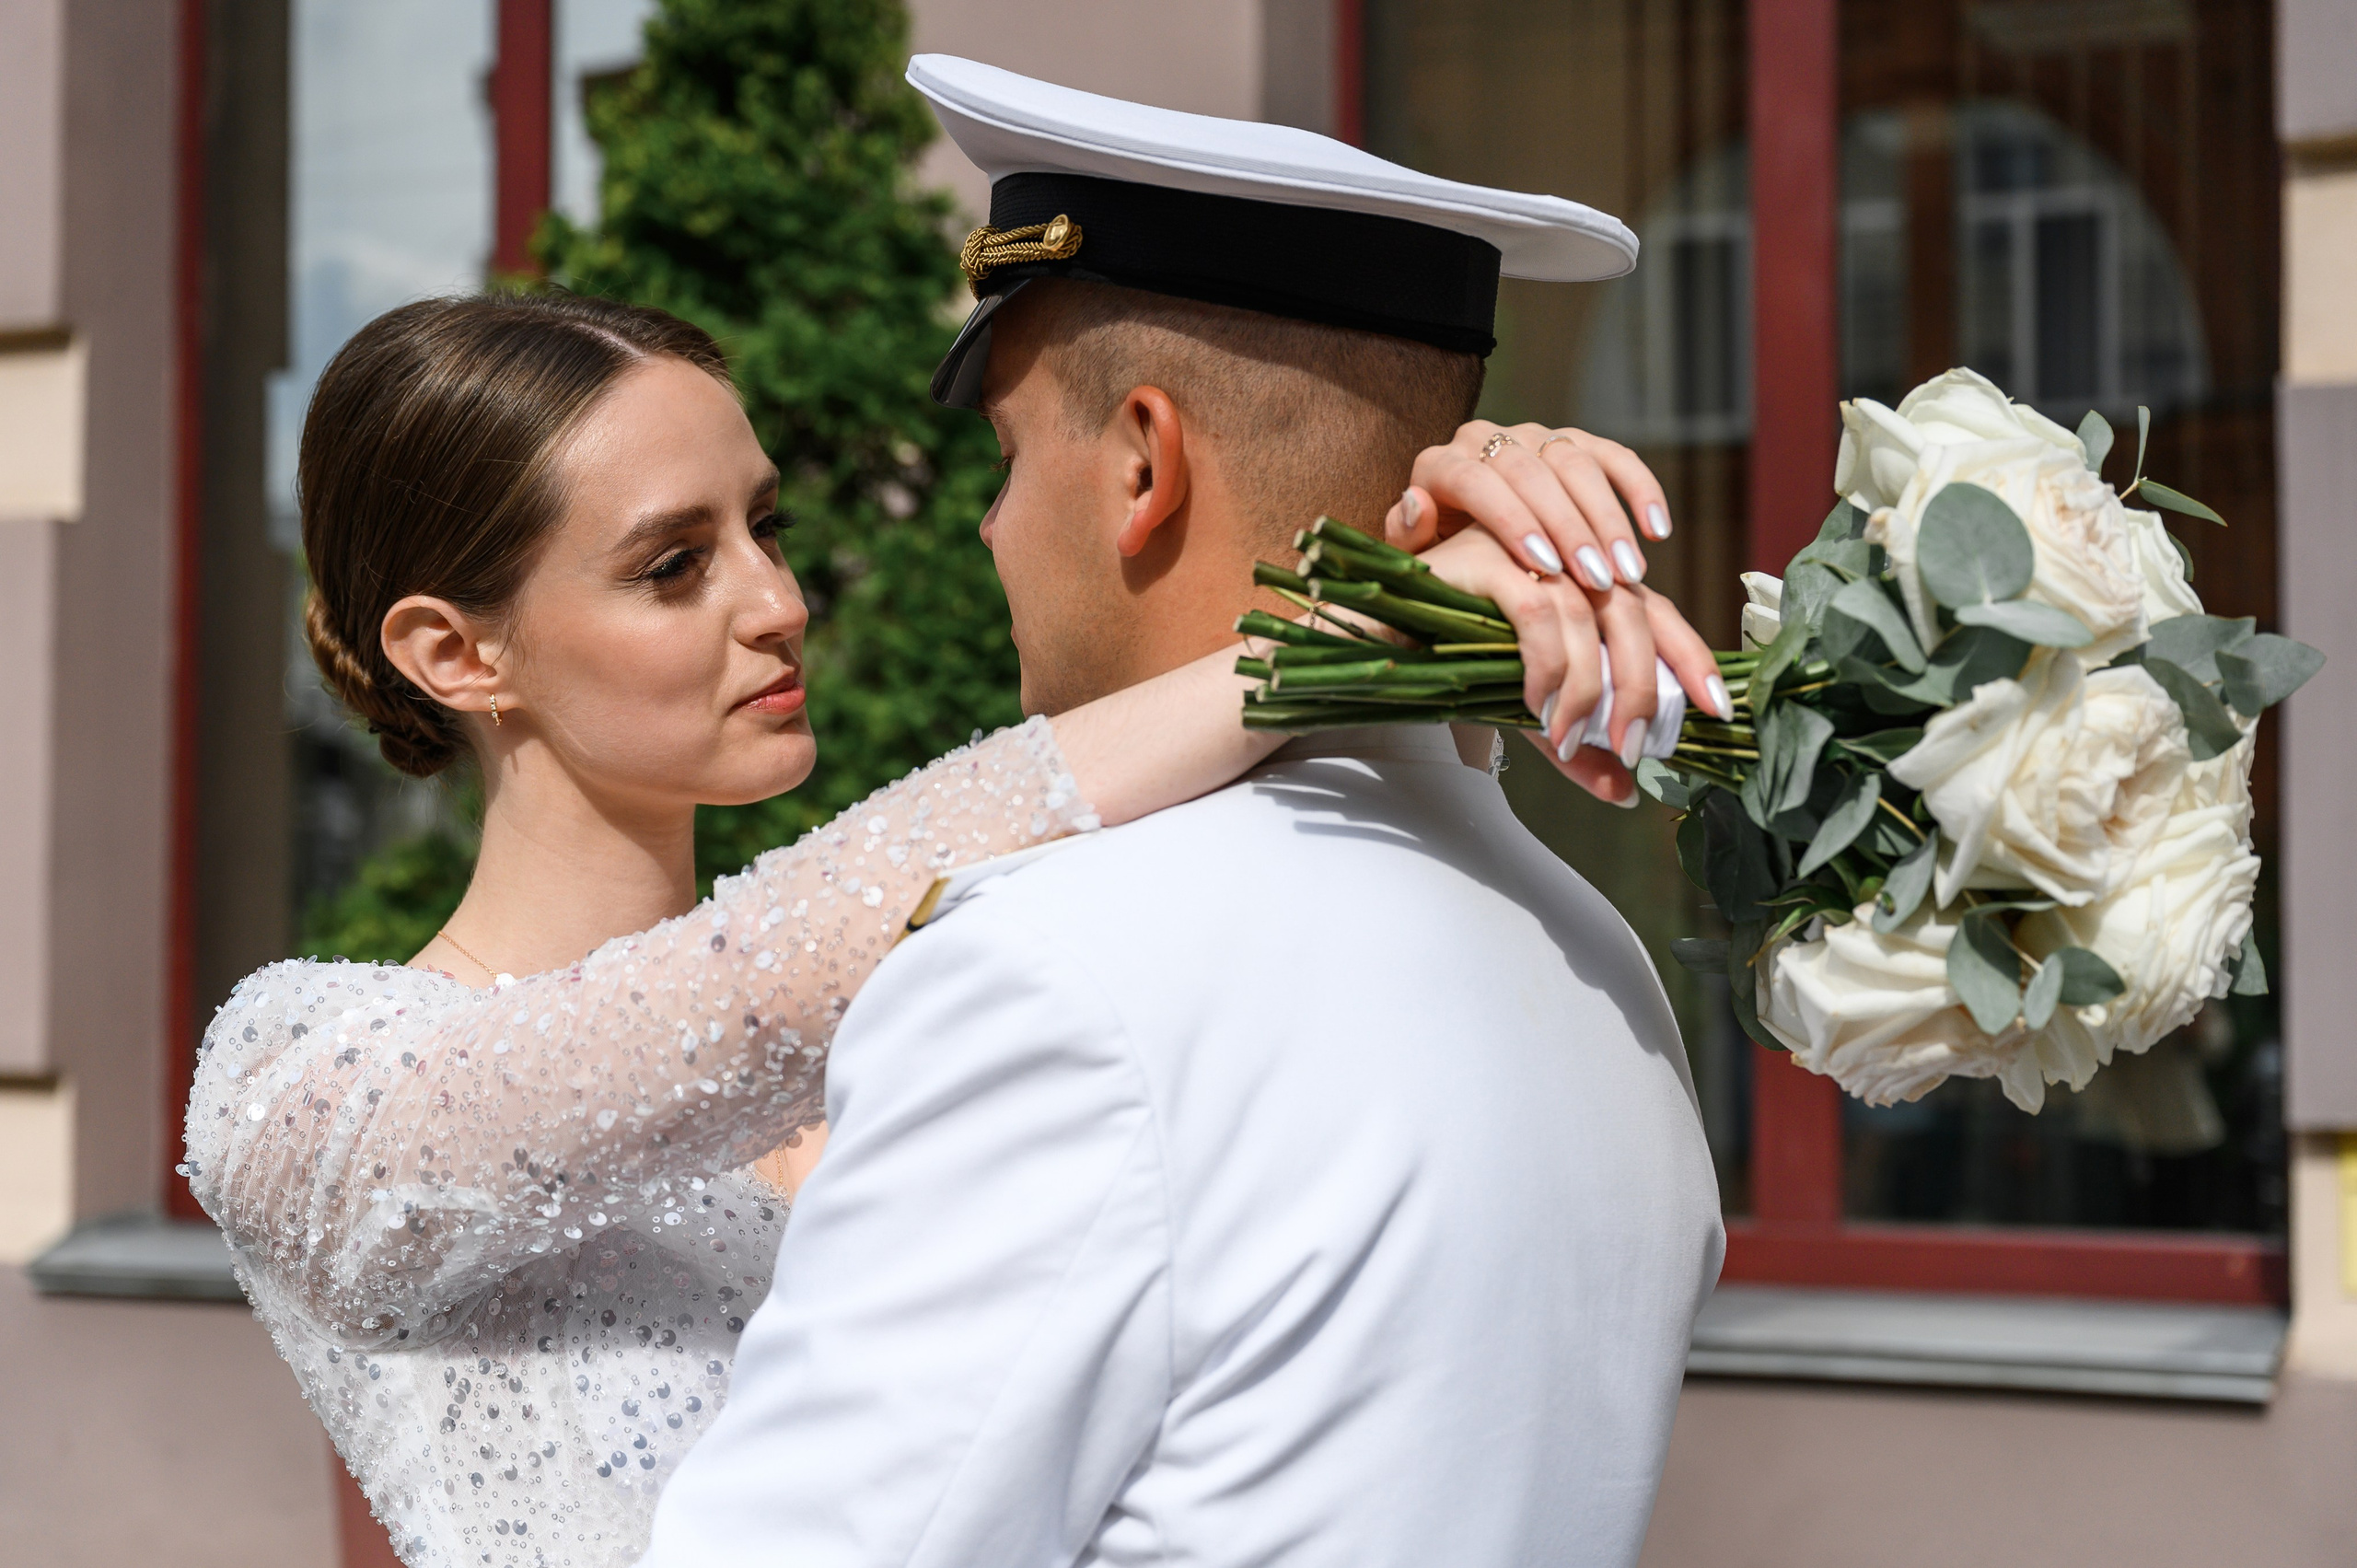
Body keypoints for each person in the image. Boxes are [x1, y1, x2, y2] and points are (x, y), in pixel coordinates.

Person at [183, 280, 1714, 1563]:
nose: (777, 600)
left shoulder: (934, 1001)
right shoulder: (301, 1082)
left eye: (763, 528)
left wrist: (1469, 558)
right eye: (674, 565)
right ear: (457, 654)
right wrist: (1355, 624)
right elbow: (752, 980)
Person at [639, 57, 1726, 1568]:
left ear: (1144, 461)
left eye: (1011, 458)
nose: (990, 526)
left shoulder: (1056, 976)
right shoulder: (1604, 965)